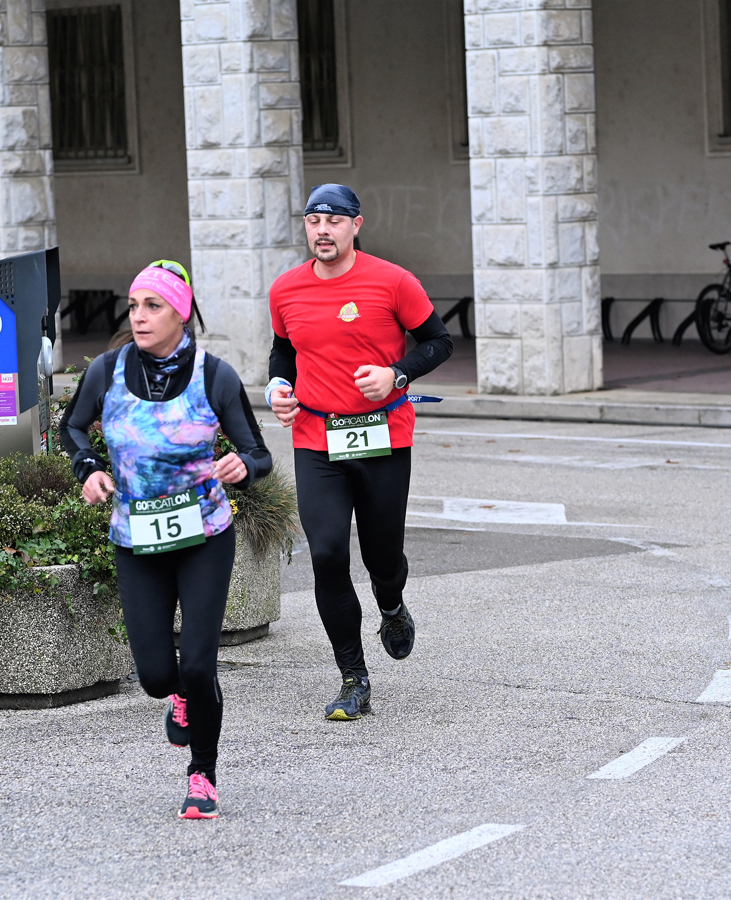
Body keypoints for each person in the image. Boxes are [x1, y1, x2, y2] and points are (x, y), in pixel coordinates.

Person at [60, 260, 272, 819]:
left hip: (204, 536)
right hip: (136, 540)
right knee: (156, 676)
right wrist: (88, 468)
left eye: (153, 306)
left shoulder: (214, 376)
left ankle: (203, 774)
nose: (139, 316)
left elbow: (259, 453)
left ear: (180, 314)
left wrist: (242, 467)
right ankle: (177, 695)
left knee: (199, 665)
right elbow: (71, 426)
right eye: (134, 306)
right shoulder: (107, 371)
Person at [266, 184, 452, 721]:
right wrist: (278, 387)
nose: (322, 230)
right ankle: (353, 677)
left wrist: (396, 374)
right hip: (317, 437)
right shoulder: (285, 289)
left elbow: (438, 342)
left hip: (382, 435)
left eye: (334, 220)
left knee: (382, 558)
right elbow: (283, 350)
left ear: (356, 225)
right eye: (314, 221)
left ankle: (391, 605)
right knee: (326, 554)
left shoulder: (393, 281)